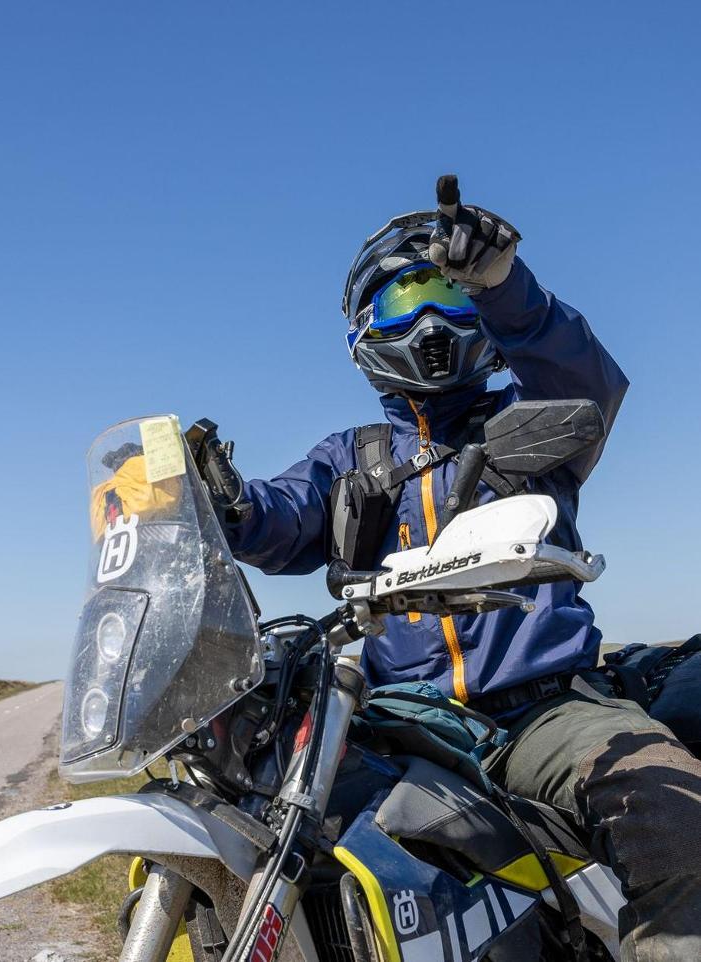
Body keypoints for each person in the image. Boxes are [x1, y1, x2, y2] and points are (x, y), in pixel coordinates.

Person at [215, 176, 701, 961]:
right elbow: (278, 518)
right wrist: (223, 497)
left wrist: (507, 287)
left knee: (672, 810)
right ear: (365, 329)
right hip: (397, 718)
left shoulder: (525, 419)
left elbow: (588, 386)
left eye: (450, 294)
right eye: (407, 301)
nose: (433, 321)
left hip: (543, 714)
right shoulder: (354, 458)